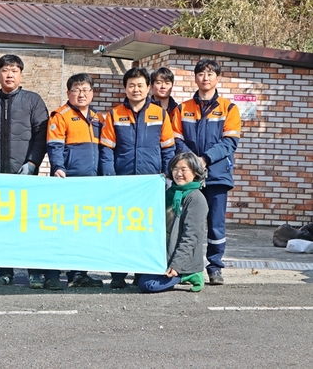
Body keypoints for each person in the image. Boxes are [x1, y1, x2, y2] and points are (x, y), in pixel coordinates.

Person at [0, 55, 48, 288]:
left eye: (14, 71)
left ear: (21, 75)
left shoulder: (33, 100)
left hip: (25, 174)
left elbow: (41, 135)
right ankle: (5, 270)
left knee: (29, 224)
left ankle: (34, 271)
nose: (9, 75)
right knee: (3, 224)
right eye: (5, 70)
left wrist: (33, 163)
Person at [99, 67, 175, 289]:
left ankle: (142, 272)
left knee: (146, 229)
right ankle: (118, 274)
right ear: (125, 88)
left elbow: (168, 149)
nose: (136, 89)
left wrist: (165, 176)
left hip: (150, 184)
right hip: (122, 183)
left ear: (148, 88)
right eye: (131, 85)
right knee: (119, 228)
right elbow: (107, 151)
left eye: (140, 85)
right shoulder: (114, 114)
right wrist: (111, 178)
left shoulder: (160, 114)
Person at [172, 59, 241, 286]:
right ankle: (185, 267)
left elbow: (230, 141)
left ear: (217, 78)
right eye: (201, 73)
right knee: (186, 223)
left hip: (218, 175)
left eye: (210, 73)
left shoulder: (229, 108)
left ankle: (215, 267)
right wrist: (192, 163)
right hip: (187, 176)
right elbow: (177, 139)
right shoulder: (182, 109)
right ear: (195, 78)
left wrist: (204, 159)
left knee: (216, 224)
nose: (205, 77)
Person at [46, 73, 105, 289]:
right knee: (63, 228)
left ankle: (79, 272)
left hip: (91, 183)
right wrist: (58, 167)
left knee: (84, 229)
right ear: (68, 93)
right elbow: (54, 146)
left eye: (86, 90)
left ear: (92, 93)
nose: (81, 94)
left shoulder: (98, 118)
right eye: (76, 90)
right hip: (69, 182)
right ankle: (53, 273)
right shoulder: (60, 116)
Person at [137, 152, 207, 293]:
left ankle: (189, 275)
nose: (178, 173)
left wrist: (177, 265)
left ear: (194, 172)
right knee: (138, 279)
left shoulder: (196, 199)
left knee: (147, 285)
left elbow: (190, 236)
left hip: (184, 261)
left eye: (184, 169)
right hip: (164, 255)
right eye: (175, 169)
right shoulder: (170, 193)